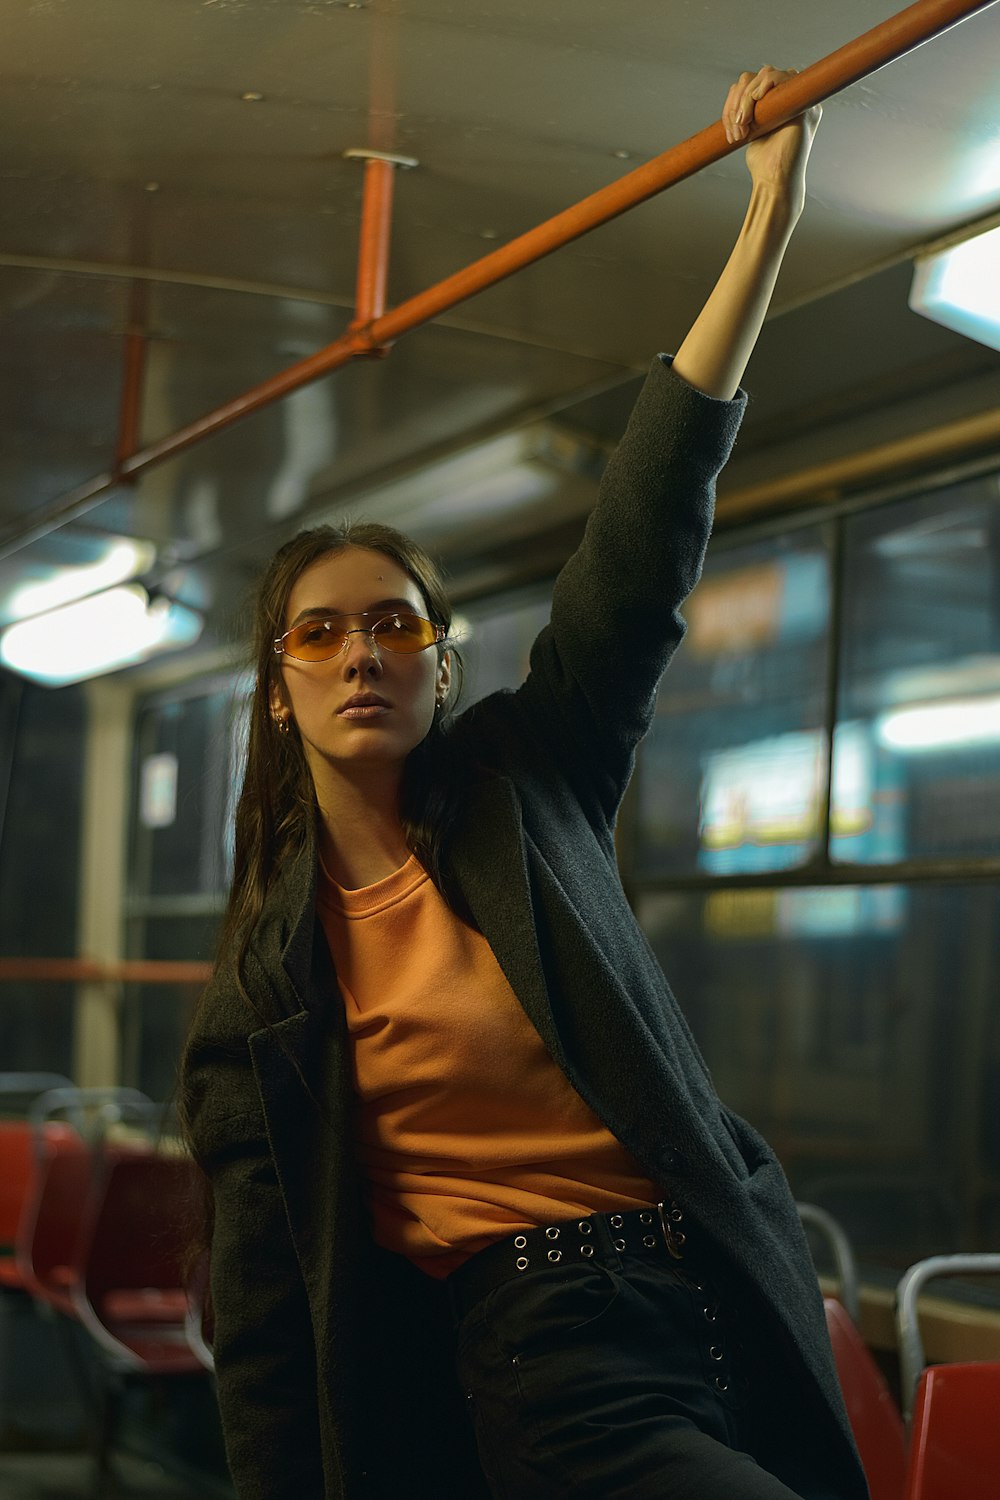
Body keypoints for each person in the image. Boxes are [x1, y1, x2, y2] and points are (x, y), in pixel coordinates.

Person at [181, 67, 870, 1500]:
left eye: (395, 624)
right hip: (546, 1353)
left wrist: (771, 218)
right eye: (320, 631)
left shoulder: (525, 785)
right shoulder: (268, 984)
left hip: (724, 1298)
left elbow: (641, 544)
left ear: (442, 662)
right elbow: (261, 1314)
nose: (361, 652)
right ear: (279, 685)